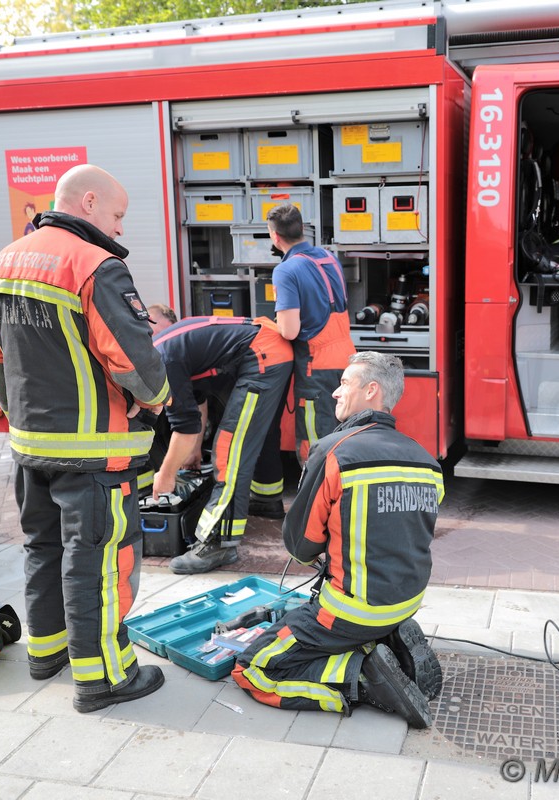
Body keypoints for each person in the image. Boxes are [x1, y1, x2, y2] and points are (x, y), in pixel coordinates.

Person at [0, 164, 171, 714]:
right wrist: (151, 401)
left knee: (43, 548)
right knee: (99, 563)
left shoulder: (0, 264)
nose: (120, 229)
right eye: (117, 215)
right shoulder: (93, 265)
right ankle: (104, 677)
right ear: (88, 202)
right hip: (94, 454)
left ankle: (47, 652)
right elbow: (140, 365)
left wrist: (21, 416)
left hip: (30, 447)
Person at [232, 352, 443, 728]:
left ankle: (363, 678)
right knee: (342, 611)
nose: (334, 392)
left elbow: (301, 547)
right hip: (407, 600)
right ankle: (387, 640)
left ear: (371, 390)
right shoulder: (426, 461)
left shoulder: (335, 450)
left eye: (345, 382)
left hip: (351, 611)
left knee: (254, 668)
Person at [144, 304, 293, 574]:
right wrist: (194, 451)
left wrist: (165, 474)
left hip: (261, 354)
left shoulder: (161, 361)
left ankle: (218, 543)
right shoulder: (164, 350)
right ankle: (266, 500)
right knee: (255, 434)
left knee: (229, 448)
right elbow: (197, 401)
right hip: (268, 346)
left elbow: (185, 425)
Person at [249, 202, 357, 519]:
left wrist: (266, 325)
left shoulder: (286, 270)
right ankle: (340, 509)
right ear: (302, 229)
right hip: (346, 362)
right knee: (342, 441)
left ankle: (318, 517)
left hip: (317, 370)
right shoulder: (327, 257)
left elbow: (290, 328)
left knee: (315, 446)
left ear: (274, 235)